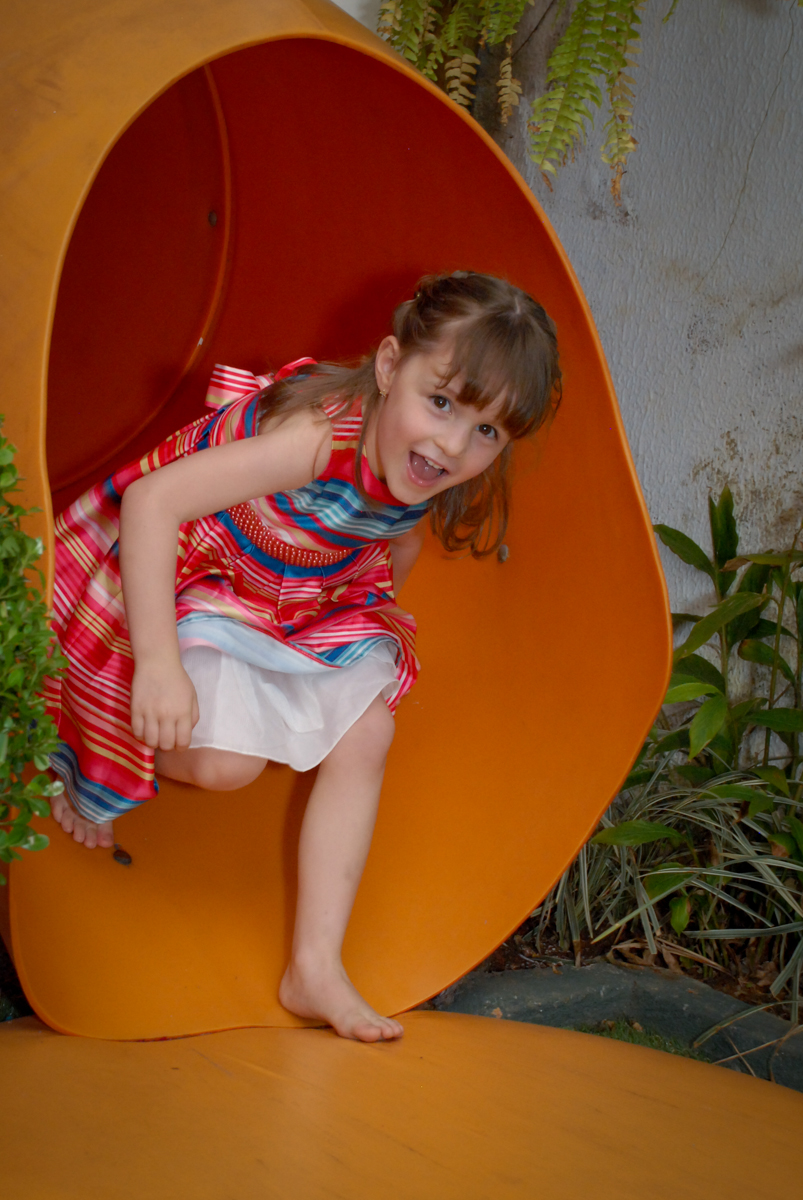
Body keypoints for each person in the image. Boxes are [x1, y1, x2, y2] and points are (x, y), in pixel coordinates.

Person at [45, 271, 561, 1042]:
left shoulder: (420, 468)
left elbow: (396, 538)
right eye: (441, 402)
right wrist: (158, 664)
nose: (452, 445)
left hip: (295, 588)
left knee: (368, 732)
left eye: (487, 432)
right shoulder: (316, 437)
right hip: (182, 565)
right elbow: (153, 503)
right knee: (222, 766)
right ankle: (83, 744)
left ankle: (313, 965)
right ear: (389, 367)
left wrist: (355, 617)